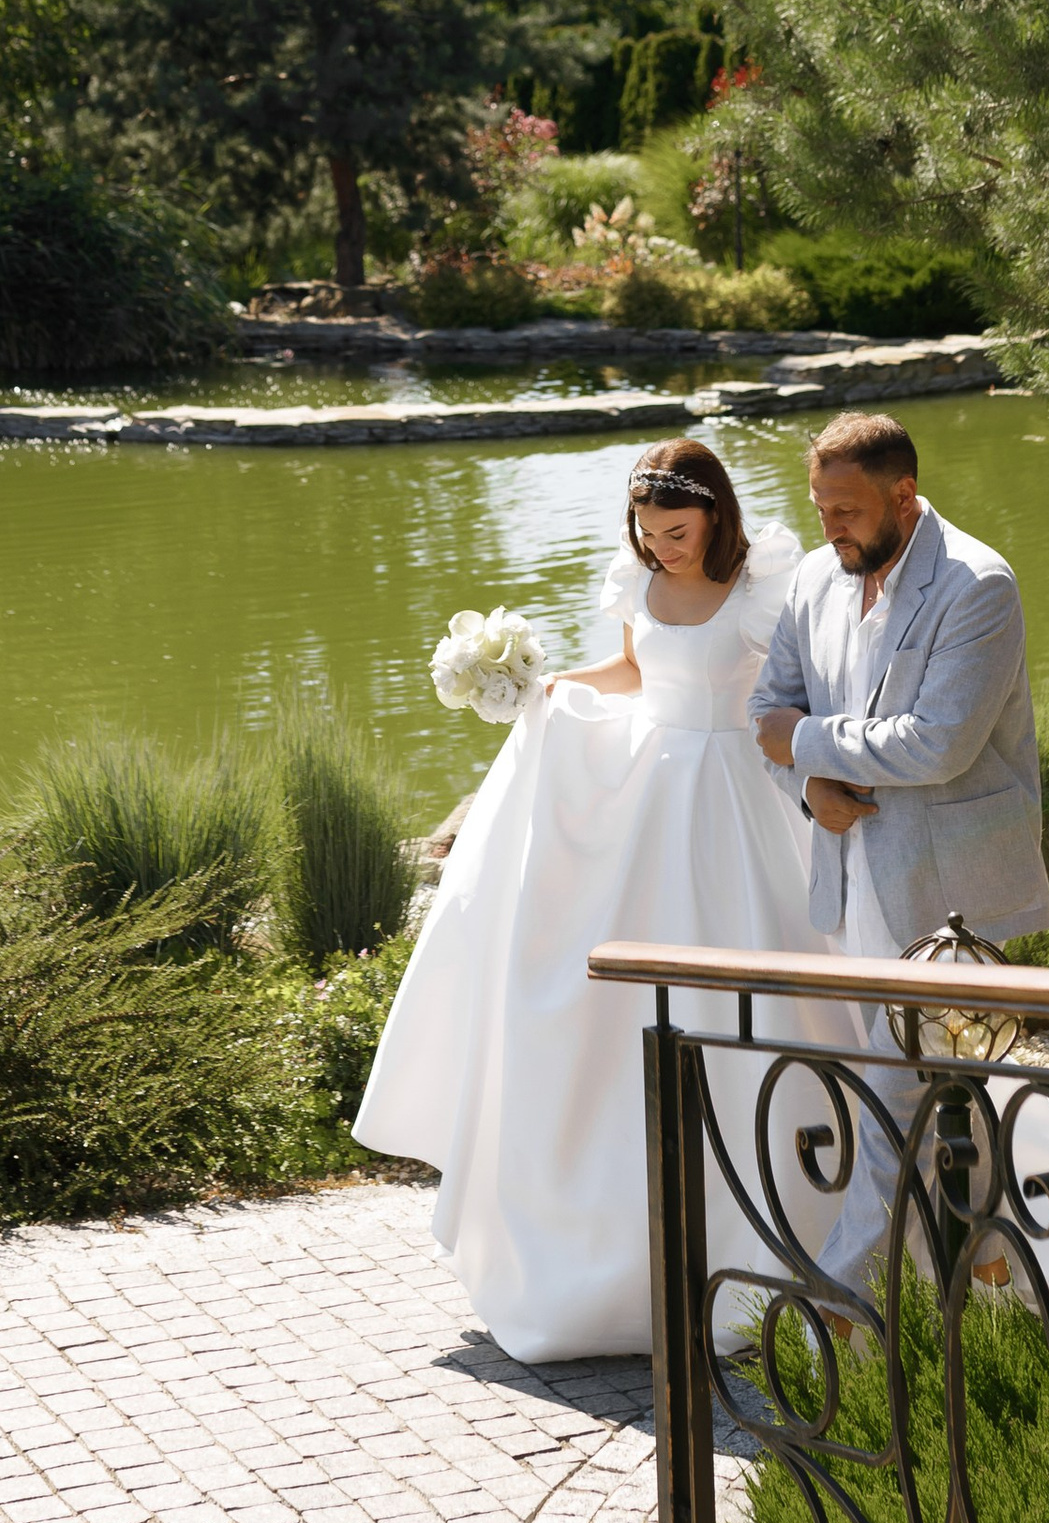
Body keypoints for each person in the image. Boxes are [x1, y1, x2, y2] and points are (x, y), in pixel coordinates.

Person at [353, 435, 847, 1361]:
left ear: (715, 515)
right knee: (610, 1008)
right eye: (649, 531)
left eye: (677, 529)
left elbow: (792, 689)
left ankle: (783, 1219)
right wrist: (544, 690)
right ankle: (606, 1238)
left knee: (754, 987)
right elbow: (632, 672)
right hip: (648, 786)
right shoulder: (638, 581)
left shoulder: (761, 584)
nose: (661, 547)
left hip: (733, 797)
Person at [749, 409, 1049, 1289]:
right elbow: (766, 708)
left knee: (898, 1087)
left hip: (954, 887)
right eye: (819, 507)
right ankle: (989, 1274)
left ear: (904, 494)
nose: (829, 526)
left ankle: (837, 1295)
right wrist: (809, 791)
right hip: (852, 880)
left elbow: (938, 743)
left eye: (845, 510)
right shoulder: (814, 579)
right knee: (942, 1085)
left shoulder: (978, 584)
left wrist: (802, 746)